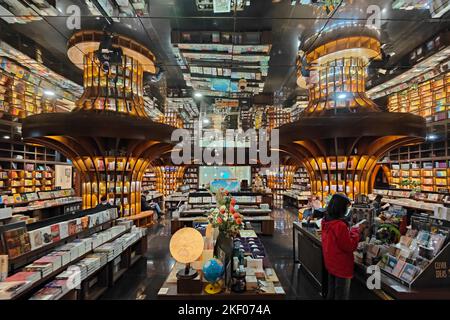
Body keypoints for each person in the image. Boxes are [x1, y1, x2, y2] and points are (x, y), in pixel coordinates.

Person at [321, 194, 366, 300]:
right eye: (346, 207)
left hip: (331, 263)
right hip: (341, 265)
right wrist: (356, 231)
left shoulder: (326, 220)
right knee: (341, 295)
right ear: (341, 208)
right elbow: (349, 246)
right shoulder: (339, 225)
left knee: (331, 292)